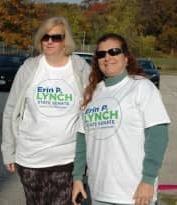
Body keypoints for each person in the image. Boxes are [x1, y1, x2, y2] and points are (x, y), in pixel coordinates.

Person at [72, 33, 170, 205]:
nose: (107, 57)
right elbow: (82, 139)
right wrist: (77, 177)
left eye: (113, 51)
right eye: (101, 54)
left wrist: (147, 180)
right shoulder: (92, 93)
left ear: (126, 57)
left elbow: (158, 136)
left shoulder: (141, 87)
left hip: (134, 195)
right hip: (98, 193)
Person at [1, 16, 91, 205]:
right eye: (45, 37)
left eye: (56, 37)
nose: (50, 41)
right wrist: (8, 150)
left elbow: (92, 108)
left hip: (67, 160)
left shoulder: (80, 68)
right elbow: (11, 110)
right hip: (30, 159)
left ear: (65, 40)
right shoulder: (29, 68)